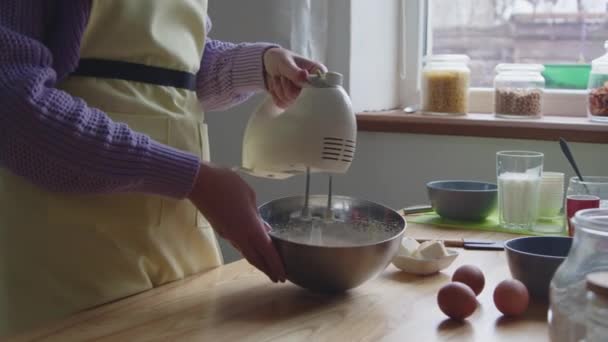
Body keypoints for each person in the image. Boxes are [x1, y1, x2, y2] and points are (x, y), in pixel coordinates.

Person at [0, 0, 326, 336]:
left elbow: (166, 74)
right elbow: (13, 107)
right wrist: (195, 180)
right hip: (73, 252)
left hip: (181, 242)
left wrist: (259, 65)